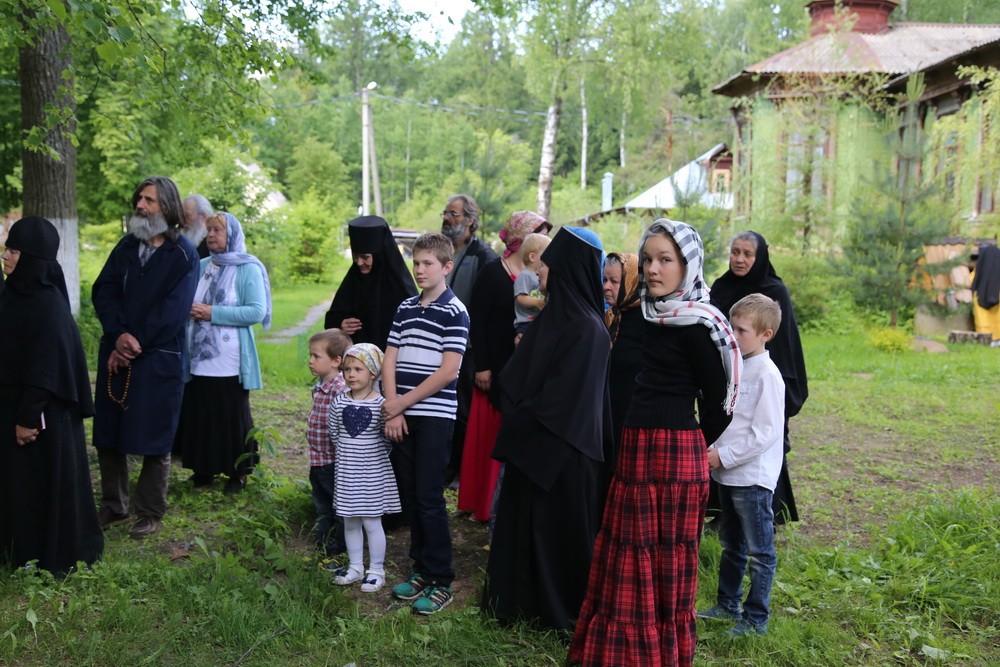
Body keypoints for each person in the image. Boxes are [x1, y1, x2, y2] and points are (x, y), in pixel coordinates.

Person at [569, 219, 741, 666]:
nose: (653, 269)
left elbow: (720, 405)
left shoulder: (697, 325)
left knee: (661, 562)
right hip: (636, 448)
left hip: (674, 456)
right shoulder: (650, 314)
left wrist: (691, 446)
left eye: (666, 259)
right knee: (627, 555)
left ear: (688, 264)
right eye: (648, 259)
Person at [482, 226, 613, 632]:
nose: (538, 272)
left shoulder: (587, 328)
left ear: (566, 270)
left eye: (546, 266)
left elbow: (566, 400)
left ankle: (556, 611)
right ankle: (519, 604)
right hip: (533, 446)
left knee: (555, 536)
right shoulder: (554, 318)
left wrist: (522, 420)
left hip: (563, 454)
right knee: (525, 529)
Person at [92, 176, 200, 539]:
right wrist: (118, 335)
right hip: (116, 351)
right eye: (139, 198)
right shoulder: (126, 246)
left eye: (149, 200)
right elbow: (104, 290)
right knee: (108, 432)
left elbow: (173, 311)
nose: (140, 204)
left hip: (157, 357)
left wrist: (133, 342)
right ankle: (115, 506)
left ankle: (150, 510)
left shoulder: (183, 254)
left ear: (167, 207)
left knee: (155, 435)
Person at [0, 217, 104, 576]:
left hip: (42, 418)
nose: (6, 257)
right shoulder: (12, 295)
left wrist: (26, 419)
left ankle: (48, 554)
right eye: (7, 249)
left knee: (41, 485)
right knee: (17, 485)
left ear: (32, 258)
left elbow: (45, 370)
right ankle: (18, 551)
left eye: (14, 251)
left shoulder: (48, 306)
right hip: (14, 408)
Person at [381, 232, 470, 615]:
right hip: (402, 416)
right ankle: (420, 569)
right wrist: (394, 408)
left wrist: (402, 402)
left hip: (434, 418)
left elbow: (449, 371)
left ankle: (440, 578)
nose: (419, 270)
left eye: (427, 264)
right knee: (411, 494)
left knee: (430, 497)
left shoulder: (455, 312)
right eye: (416, 263)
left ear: (446, 267)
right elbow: (389, 358)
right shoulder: (405, 307)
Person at [699, 293, 784, 637]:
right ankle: (727, 605)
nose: (733, 336)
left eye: (741, 330)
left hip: (752, 480)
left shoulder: (767, 375)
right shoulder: (737, 366)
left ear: (766, 334)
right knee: (731, 545)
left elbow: (765, 433)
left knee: (760, 553)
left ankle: (756, 619)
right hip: (729, 476)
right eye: (730, 327)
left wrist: (723, 456)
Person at [457, 211, 550, 523]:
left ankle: (503, 504)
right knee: (489, 436)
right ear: (521, 239)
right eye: (538, 235)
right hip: (493, 366)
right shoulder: (492, 272)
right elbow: (478, 320)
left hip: (522, 367)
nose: (543, 242)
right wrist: (481, 366)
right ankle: (482, 504)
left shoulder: (539, 275)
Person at [711, 231, 808, 524]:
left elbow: (785, 344)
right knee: (726, 438)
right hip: (727, 380)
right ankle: (723, 515)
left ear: (760, 256)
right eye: (735, 252)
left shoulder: (775, 292)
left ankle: (767, 516)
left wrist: (772, 382)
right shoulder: (721, 287)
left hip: (762, 381)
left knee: (761, 442)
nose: (739, 259)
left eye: (747, 254)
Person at [173, 212, 272, 494]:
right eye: (209, 230)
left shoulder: (247, 267)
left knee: (230, 413)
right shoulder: (202, 265)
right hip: (198, 353)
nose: (211, 235)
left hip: (230, 355)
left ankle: (237, 472)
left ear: (233, 235)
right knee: (201, 410)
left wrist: (212, 313)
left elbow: (256, 311)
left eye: (218, 230)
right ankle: (203, 469)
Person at [329, 343, 401, 593]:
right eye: (347, 369)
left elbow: (386, 438)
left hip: (372, 474)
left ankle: (376, 570)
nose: (351, 374)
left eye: (358, 369)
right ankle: (356, 566)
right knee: (350, 522)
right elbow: (334, 433)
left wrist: (369, 458)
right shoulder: (338, 402)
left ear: (372, 373)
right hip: (347, 473)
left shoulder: (382, 404)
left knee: (372, 522)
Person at [440, 194, 498, 485]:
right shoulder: (440, 252)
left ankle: (460, 472)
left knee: (461, 410)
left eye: (454, 214)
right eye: (445, 213)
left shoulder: (482, 256)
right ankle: (443, 466)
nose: (447, 218)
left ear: (471, 220)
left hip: (467, 348)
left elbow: (486, 311)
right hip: (438, 344)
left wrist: (482, 359)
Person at [323, 215, 416, 350]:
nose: (359, 263)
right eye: (356, 256)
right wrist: (340, 324)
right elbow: (332, 318)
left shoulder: (399, 285)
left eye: (365, 257)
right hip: (355, 357)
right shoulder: (353, 279)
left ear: (379, 255)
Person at [306, 328, 352, 558]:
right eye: (310, 355)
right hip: (318, 459)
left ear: (336, 361)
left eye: (316, 356)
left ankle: (339, 547)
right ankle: (323, 544)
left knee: (337, 507)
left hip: (333, 461)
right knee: (323, 505)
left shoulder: (341, 390)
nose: (310, 360)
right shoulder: (320, 386)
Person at [603, 252, 645, 458]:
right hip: (607, 414)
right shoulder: (610, 316)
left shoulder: (647, 321)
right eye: (604, 280)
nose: (606, 287)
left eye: (614, 281)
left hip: (633, 420)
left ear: (631, 282)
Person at [512, 233, 552, 335]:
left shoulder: (541, 275)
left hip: (537, 320)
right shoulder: (525, 275)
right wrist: (537, 302)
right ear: (532, 257)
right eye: (546, 252)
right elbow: (520, 298)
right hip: (525, 323)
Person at [970, 243, 1000, 345]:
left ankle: (986, 340)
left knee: (983, 319)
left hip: (980, 297)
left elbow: (970, 281)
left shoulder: (979, 269)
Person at [182, 194, 212, 258]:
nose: (182, 220)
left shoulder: (213, 243)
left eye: (187, 215)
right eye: (182, 215)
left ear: (204, 217)